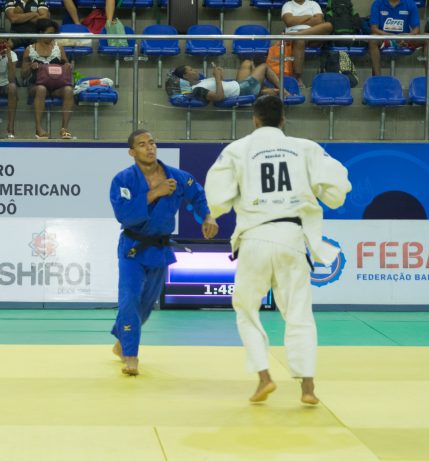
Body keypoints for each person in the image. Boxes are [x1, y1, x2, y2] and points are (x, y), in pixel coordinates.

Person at [204, 95, 351, 404]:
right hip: (291, 236)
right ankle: (307, 388)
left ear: (254, 120)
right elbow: (337, 190)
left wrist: (214, 213)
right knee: (299, 313)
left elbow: (218, 196)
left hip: (255, 237)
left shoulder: (237, 150)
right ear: (283, 120)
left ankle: (264, 377)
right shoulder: (305, 148)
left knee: (246, 310)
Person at [110, 129, 219, 376]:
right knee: (129, 298)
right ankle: (131, 355)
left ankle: (121, 341)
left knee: (146, 305)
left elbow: (197, 194)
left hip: (158, 248)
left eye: (152, 143)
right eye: (142, 144)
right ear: (131, 152)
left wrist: (207, 217)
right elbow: (124, 215)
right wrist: (155, 193)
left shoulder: (177, 177)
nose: (149, 148)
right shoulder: (123, 180)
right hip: (132, 249)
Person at [22, 18, 74, 139]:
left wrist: (67, 65)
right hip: (36, 85)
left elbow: (66, 65)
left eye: (53, 33)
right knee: (41, 89)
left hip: (57, 85)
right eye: (48, 33)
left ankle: (64, 128)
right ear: (40, 32)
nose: (51, 36)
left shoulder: (58, 48)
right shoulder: (29, 50)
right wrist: (30, 66)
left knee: (68, 90)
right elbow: (23, 75)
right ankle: (38, 128)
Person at [172, 61, 288, 103]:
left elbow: (221, 86)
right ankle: (283, 92)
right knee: (264, 67)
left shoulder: (200, 81)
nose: (195, 70)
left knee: (247, 63)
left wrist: (220, 76)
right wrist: (217, 78)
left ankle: (262, 91)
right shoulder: (196, 90)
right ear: (186, 76)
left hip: (238, 85)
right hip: (243, 89)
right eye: (191, 70)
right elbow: (219, 97)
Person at [281, 0, 333, 87]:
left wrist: (297, 20)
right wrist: (308, 17)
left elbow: (319, 21)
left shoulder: (313, 4)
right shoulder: (288, 5)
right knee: (300, 40)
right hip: (295, 38)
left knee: (328, 25)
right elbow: (289, 21)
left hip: (311, 35)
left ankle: (298, 34)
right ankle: (298, 78)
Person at [368, 0, 422, 76]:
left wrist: (407, 36)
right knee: (372, 39)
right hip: (385, 38)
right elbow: (374, 28)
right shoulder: (377, 3)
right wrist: (392, 37)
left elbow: (416, 29)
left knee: (428, 38)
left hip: (405, 39)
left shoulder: (410, 3)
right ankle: (378, 78)